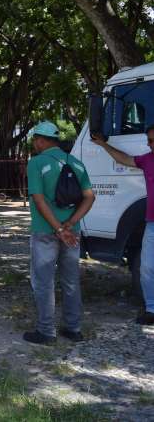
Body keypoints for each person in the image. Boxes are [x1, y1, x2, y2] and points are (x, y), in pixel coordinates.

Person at [25, 121, 95, 345]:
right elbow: (90, 196)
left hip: (45, 232)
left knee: (43, 281)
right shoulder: (76, 162)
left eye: (36, 140)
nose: (35, 144)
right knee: (71, 280)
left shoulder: (36, 163)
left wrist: (57, 228)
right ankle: (73, 329)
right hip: (72, 232)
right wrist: (70, 224)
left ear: (41, 140)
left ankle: (46, 332)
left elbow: (38, 198)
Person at [91, 126, 154, 325]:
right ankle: (152, 309)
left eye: (153, 140)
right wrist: (102, 144)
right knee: (146, 268)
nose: (149, 144)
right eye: (149, 140)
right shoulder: (147, 159)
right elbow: (123, 159)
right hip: (152, 224)